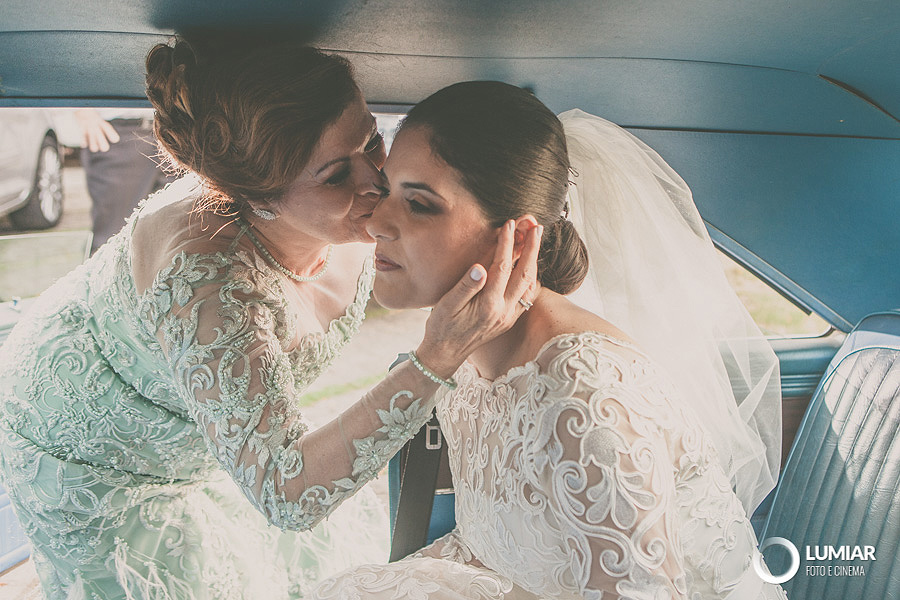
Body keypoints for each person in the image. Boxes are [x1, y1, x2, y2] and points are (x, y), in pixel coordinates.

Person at [0, 39, 540, 600]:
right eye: (336, 175)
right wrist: (435, 359)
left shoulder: (348, 213)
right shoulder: (211, 289)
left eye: (371, 142)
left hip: (200, 431)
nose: (377, 183)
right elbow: (285, 493)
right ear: (259, 198)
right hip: (86, 447)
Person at [313, 81, 787, 599]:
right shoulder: (470, 362)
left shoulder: (587, 400)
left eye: (420, 204)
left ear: (516, 238)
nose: (377, 223)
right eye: (385, 191)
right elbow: (498, 544)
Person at [73, 108, 176, 254]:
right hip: (120, 131)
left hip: (175, 125)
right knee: (113, 239)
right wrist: (83, 112)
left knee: (174, 233)